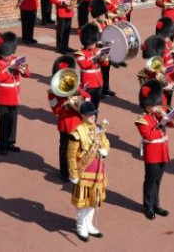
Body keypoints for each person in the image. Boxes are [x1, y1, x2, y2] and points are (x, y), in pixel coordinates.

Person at [67, 101, 110, 242]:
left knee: (94, 200)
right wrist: (73, 173)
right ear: (84, 116)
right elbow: (71, 155)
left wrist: (104, 150)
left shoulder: (98, 129)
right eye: (90, 115)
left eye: (94, 115)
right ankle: (80, 226)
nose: (93, 117)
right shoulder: (77, 132)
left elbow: (105, 142)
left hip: (98, 170)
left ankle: (89, 224)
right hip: (84, 171)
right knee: (83, 201)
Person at [48, 55, 91, 182]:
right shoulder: (52, 92)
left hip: (78, 123)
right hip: (66, 124)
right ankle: (64, 172)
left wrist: (81, 100)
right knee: (66, 149)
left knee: (80, 147)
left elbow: (87, 96)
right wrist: (66, 105)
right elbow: (56, 111)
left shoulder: (75, 86)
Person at [135, 79, 174, 220]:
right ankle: (148, 206)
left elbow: (172, 124)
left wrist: (167, 117)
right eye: (154, 105)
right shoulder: (141, 119)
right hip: (152, 153)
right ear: (147, 105)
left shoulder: (158, 114)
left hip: (163, 151)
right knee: (150, 180)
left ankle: (156, 204)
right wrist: (161, 124)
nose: (156, 107)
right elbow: (149, 135)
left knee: (158, 180)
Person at [0, 32, 30, 155]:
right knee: (3, 122)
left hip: (14, 97)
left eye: (9, 53)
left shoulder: (14, 59)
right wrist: (10, 69)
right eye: (6, 54)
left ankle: (10, 142)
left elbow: (27, 74)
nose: (9, 56)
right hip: (2, 98)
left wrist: (22, 69)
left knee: (13, 121)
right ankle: (2, 145)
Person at [76, 23, 109, 110]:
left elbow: (105, 64)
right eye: (92, 43)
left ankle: (93, 122)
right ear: (87, 41)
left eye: (95, 42)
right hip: (88, 83)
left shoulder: (97, 50)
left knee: (96, 106)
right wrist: (95, 57)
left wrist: (104, 57)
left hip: (98, 82)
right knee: (87, 105)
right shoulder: (80, 53)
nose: (94, 45)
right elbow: (84, 65)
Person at [89, 0, 115, 97]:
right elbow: (93, 41)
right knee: (99, 71)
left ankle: (106, 88)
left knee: (107, 71)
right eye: (100, 15)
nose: (103, 17)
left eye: (103, 14)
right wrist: (103, 42)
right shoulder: (94, 25)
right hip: (99, 51)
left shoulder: (108, 22)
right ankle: (99, 90)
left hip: (108, 51)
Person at [137, 35, 173, 107]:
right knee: (141, 75)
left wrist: (162, 73)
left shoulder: (165, 54)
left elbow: (169, 67)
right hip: (156, 69)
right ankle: (148, 100)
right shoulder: (156, 51)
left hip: (164, 73)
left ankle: (161, 104)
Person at [155, 17, 174, 107]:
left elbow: (171, 58)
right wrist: (164, 82)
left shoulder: (168, 41)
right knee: (162, 100)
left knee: (169, 99)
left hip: (171, 74)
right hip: (163, 76)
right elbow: (156, 67)